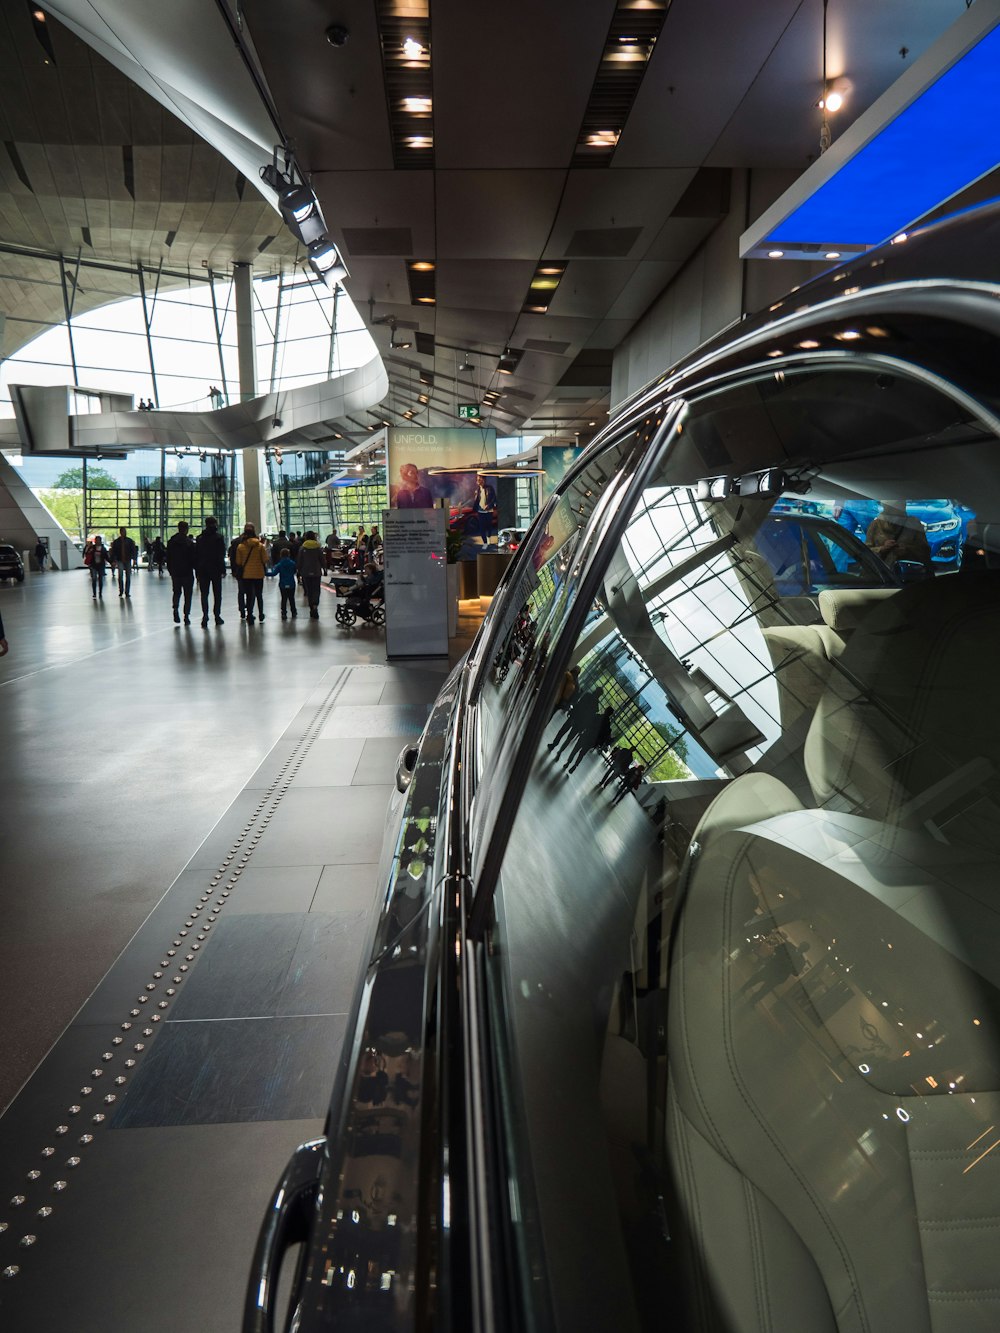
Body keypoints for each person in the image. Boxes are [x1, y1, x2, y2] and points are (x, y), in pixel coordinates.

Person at [865, 503, 933, 575]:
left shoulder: (913, 523)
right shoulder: (875, 525)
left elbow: (925, 551)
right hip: (883, 574)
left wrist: (907, 550)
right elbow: (865, 551)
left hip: (910, 574)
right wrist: (882, 549)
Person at [195, 515, 227, 627]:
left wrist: (197, 572)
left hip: (203, 569)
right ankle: (217, 616)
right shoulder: (219, 538)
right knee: (217, 594)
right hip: (216, 569)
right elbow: (221, 555)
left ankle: (205, 616)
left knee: (204, 594)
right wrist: (223, 569)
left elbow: (196, 556)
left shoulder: (200, 538)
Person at [166, 520, 197, 624]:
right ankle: (186, 616)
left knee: (176, 592)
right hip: (187, 572)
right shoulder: (189, 543)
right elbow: (193, 559)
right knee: (188, 595)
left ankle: (175, 608)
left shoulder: (171, 542)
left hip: (176, 572)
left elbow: (168, 558)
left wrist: (170, 570)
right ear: (187, 529)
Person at [236, 522, 267, 623]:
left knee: (249, 595)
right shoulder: (260, 546)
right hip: (259, 574)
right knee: (259, 595)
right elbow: (265, 559)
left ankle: (249, 615)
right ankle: (261, 613)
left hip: (246, 575)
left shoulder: (240, 547)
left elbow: (238, 562)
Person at [296, 530, 324, 619]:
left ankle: (311, 607)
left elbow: (299, 561)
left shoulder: (302, 548)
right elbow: (322, 559)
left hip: (305, 572)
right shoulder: (318, 547)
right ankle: (315, 606)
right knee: (316, 589)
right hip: (316, 571)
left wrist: (298, 571)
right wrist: (325, 568)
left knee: (309, 590)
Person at [267, 546, 298, 619]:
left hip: (283, 584)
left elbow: (273, 574)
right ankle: (293, 612)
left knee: (284, 598)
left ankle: (284, 613)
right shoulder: (292, 563)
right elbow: (294, 571)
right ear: (289, 554)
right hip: (291, 583)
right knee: (291, 598)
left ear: (280, 555)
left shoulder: (279, 565)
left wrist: (264, 573)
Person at [109, 526, 138, 598]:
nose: (124, 533)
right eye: (123, 531)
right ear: (120, 532)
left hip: (127, 560)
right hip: (120, 560)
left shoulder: (129, 541)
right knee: (121, 575)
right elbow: (114, 552)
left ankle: (127, 591)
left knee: (128, 576)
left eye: (125, 531)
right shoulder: (117, 542)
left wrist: (134, 559)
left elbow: (133, 550)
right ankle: (121, 590)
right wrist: (113, 560)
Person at [86, 534, 111, 599]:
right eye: (96, 540)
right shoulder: (92, 548)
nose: (97, 542)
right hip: (94, 565)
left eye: (98, 540)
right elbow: (87, 554)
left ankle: (100, 592)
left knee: (100, 579)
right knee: (94, 579)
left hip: (101, 565)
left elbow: (106, 556)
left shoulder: (103, 548)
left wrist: (111, 562)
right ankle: (94, 593)